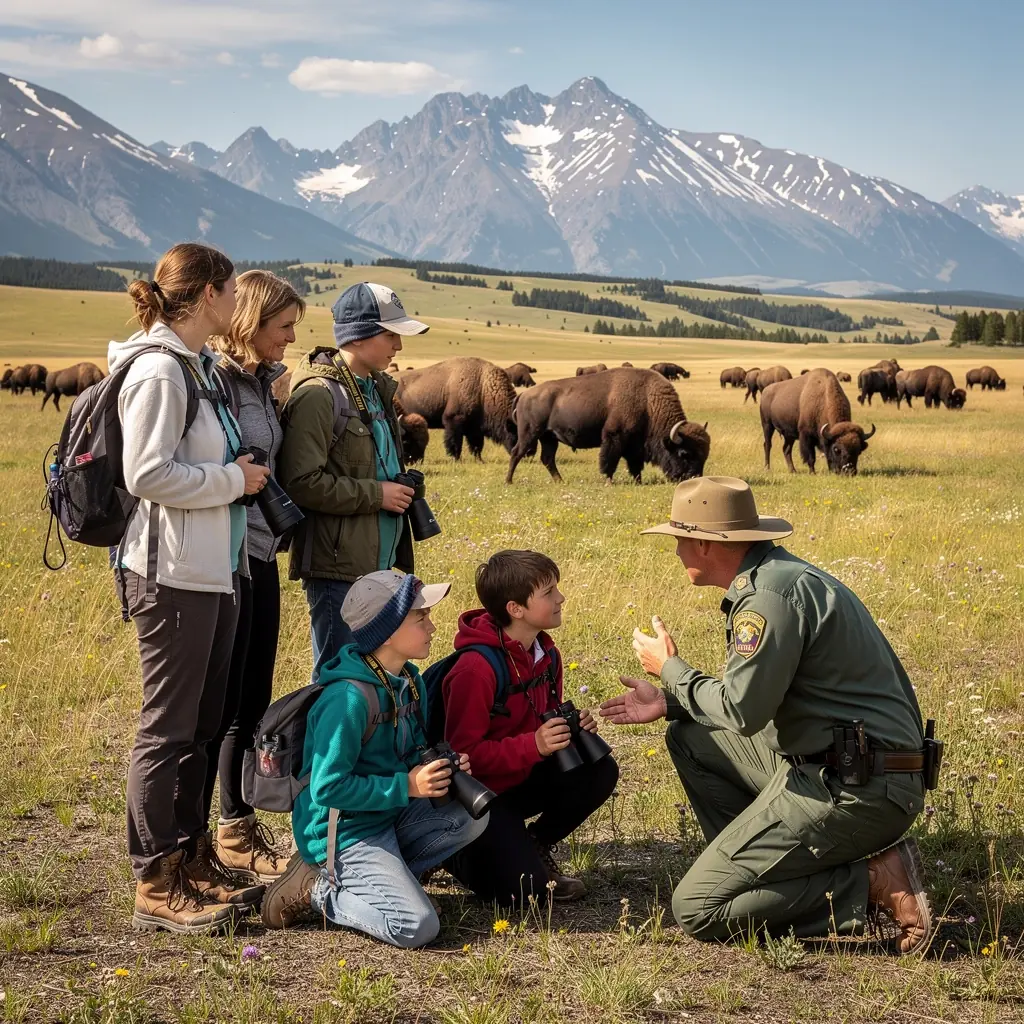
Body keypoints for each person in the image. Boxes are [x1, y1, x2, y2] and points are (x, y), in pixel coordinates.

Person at [599, 476, 934, 953]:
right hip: (855, 767)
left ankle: (871, 882)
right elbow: (763, 697)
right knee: (691, 736)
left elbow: (741, 710)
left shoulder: (768, 599)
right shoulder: (779, 577)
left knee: (696, 908)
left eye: (678, 539)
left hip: (856, 786)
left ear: (705, 543)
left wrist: (671, 669)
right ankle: (760, 866)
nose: (675, 551)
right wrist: (671, 703)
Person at [113, 243, 271, 934]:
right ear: (207, 293)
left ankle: (192, 856)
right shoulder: (158, 372)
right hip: (170, 574)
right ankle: (155, 879)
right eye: (231, 289)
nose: (238, 301)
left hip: (211, 570)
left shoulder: (195, 369)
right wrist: (234, 482)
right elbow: (146, 474)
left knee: (202, 726)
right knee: (169, 728)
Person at [260, 571, 488, 945]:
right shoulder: (347, 700)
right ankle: (317, 888)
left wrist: (441, 767)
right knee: (415, 927)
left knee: (469, 815)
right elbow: (327, 788)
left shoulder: (409, 680)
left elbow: (413, 748)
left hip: (387, 813)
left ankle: (386, 881)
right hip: (344, 831)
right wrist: (408, 785)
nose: (432, 626)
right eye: (421, 618)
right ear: (388, 629)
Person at [441, 551, 618, 907]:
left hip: (519, 777)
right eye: (549, 592)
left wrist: (569, 729)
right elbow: (462, 755)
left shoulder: (546, 655)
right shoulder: (475, 669)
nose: (560, 598)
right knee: (525, 894)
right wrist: (534, 745)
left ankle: (534, 842)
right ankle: (447, 852)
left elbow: (539, 716)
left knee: (599, 767)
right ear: (515, 608)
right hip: (480, 794)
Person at [203, 270, 305, 883]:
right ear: (252, 322)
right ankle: (227, 828)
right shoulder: (217, 383)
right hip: (226, 556)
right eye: (284, 326)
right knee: (228, 701)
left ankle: (234, 828)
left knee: (254, 697)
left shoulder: (263, 386)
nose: (291, 337)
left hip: (260, 553)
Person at [277, 283, 429, 683]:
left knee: (374, 675)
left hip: (376, 562)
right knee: (338, 679)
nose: (398, 345)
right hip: (338, 567)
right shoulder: (318, 395)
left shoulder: (376, 389)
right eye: (390, 334)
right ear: (359, 335)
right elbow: (300, 483)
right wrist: (376, 494)